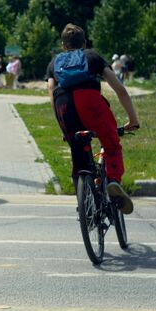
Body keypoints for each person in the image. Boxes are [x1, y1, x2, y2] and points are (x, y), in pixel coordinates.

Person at [46, 23, 139, 214]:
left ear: (64, 45)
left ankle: (85, 208)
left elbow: (51, 92)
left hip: (63, 105)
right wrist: (133, 120)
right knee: (111, 144)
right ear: (85, 43)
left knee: (78, 155)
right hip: (89, 101)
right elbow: (120, 90)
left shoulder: (54, 62)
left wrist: (63, 127)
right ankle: (112, 181)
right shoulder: (92, 56)